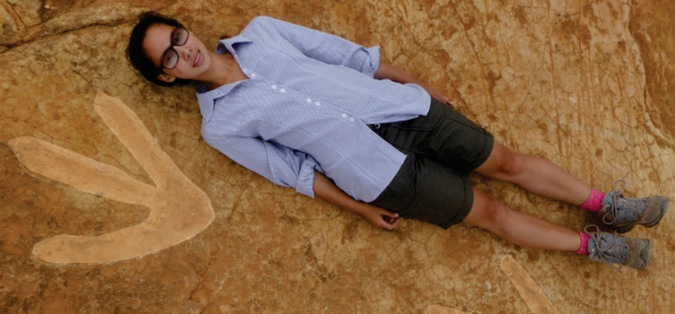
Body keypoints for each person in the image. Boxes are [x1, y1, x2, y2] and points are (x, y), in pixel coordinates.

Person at [126, 12, 669, 270]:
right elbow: (290, 171)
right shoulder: (219, 126)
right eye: (168, 57)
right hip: (373, 173)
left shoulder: (263, 31)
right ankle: (595, 247)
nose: (183, 51)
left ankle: (608, 205)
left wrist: (416, 82)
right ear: (167, 77)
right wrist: (358, 207)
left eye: (176, 37)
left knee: (506, 162)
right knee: (490, 213)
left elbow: (347, 54)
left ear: (186, 28)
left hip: (401, 109)